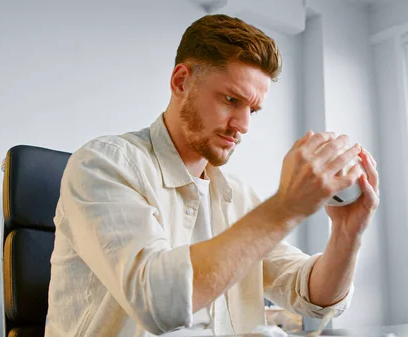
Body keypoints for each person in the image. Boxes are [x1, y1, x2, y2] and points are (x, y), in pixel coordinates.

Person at [44, 14, 380, 337]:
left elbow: (313, 297)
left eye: (253, 110)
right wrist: (286, 207)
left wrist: (346, 234)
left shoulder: (238, 197)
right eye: (231, 99)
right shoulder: (102, 164)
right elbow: (158, 302)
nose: (243, 125)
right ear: (181, 82)